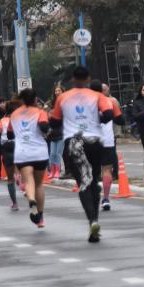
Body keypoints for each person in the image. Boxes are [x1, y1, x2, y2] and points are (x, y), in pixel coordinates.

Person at [49, 66, 113, 243]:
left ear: (72, 80)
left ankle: (92, 221)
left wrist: (64, 122)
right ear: (88, 79)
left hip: (75, 142)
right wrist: (95, 120)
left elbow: (54, 122)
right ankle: (96, 220)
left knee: (84, 183)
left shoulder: (62, 97)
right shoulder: (98, 96)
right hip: (96, 141)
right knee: (95, 180)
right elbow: (108, 115)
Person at [12, 89, 50, 228]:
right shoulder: (40, 112)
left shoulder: (14, 114)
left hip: (23, 153)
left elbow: (10, 134)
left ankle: (31, 199)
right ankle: (40, 217)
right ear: (34, 99)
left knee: (28, 180)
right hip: (39, 152)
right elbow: (45, 127)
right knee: (39, 184)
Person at [94, 81, 125, 211]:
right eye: (104, 90)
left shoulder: (86, 102)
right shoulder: (110, 102)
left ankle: (97, 197)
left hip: (93, 140)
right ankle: (105, 198)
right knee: (106, 170)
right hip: (105, 141)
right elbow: (121, 120)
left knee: (94, 171)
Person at [0, 99, 21, 211]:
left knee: (9, 178)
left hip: (6, 147)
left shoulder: (2, 121)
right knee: (22, 169)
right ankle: (20, 177)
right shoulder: (19, 119)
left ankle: (15, 203)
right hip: (19, 146)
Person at [46, 83, 66, 179]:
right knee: (52, 153)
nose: (57, 92)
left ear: (63, 91)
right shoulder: (51, 103)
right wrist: (49, 114)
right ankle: (52, 171)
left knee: (58, 154)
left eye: (59, 90)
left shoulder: (65, 102)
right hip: (53, 132)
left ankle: (58, 171)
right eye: (56, 91)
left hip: (62, 131)